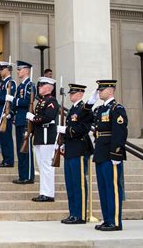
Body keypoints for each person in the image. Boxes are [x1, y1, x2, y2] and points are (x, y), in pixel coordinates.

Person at [83, 80, 127, 231]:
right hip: (100, 152)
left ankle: (115, 221)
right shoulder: (99, 109)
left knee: (113, 188)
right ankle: (107, 219)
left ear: (111, 90)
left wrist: (116, 153)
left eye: (102, 90)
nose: (99, 92)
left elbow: (120, 132)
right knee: (103, 188)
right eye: (98, 90)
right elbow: (83, 116)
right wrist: (90, 101)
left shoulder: (117, 108)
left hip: (111, 153)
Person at [57, 83, 93, 224]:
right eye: (70, 93)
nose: (71, 95)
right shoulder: (73, 109)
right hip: (71, 149)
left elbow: (84, 128)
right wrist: (64, 142)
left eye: (73, 93)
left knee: (79, 184)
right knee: (70, 183)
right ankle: (73, 213)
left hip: (79, 149)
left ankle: (80, 215)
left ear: (80, 94)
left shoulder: (84, 109)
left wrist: (66, 131)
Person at [26, 77, 59, 202]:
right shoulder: (41, 101)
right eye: (39, 85)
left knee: (47, 166)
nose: (39, 87)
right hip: (40, 136)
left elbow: (48, 117)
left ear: (49, 87)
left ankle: (48, 193)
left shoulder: (52, 101)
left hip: (47, 136)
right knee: (41, 165)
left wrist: (33, 118)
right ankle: (43, 192)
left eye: (42, 85)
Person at [12, 60, 35, 184]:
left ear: (26, 70)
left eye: (20, 69)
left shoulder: (30, 85)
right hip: (19, 120)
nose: (18, 71)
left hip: (26, 121)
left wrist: (14, 101)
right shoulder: (21, 85)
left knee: (26, 150)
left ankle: (29, 176)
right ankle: (22, 175)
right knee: (20, 150)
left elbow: (27, 102)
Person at [0, 61, 16, 167]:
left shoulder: (11, 83)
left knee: (7, 138)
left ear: (7, 70)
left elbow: (8, 99)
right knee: (2, 138)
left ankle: (9, 160)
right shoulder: (3, 83)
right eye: (0, 69)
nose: (0, 71)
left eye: (2, 69)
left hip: (6, 113)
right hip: (0, 113)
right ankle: (5, 158)